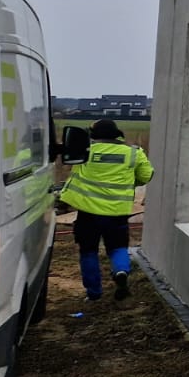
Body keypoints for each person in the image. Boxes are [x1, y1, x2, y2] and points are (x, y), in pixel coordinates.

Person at [59, 119, 153, 301]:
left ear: (93, 135)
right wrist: (128, 182)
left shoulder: (86, 152)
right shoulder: (134, 153)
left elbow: (69, 162)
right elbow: (145, 176)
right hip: (117, 213)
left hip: (88, 213)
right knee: (117, 247)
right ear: (117, 133)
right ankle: (120, 271)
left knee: (88, 251)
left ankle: (93, 293)